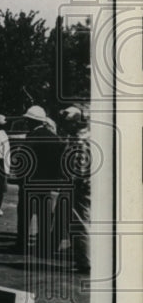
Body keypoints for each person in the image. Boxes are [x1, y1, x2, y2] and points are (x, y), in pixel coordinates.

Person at [16, 105, 62, 251]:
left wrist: (21, 177)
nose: (26, 123)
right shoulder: (55, 139)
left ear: (32, 121)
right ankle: (43, 244)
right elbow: (58, 163)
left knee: (25, 215)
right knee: (44, 215)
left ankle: (22, 245)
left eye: (28, 120)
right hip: (46, 184)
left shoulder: (31, 137)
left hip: (30, 183)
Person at [59, 105, 91, 272]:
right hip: (85, 185)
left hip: (79, 186)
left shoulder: (79, 140)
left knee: (80, 223)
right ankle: (85, 258)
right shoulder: (88, 137)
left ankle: (85, 262)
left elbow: (77, 168)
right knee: (84, 221)